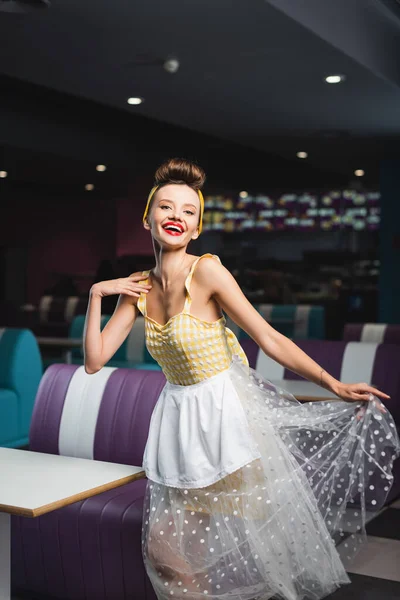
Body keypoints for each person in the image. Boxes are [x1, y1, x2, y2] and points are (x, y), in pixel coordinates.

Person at [83, 158, 399, 600]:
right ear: (148, 217)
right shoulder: (136, 287)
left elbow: (267, 337)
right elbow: (95, 361)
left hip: (226, 419)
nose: (176, 216)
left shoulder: (208, 271)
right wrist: (98, 292)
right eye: (166, 207)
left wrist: (334, 384)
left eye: (188, 211)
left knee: (213, 551)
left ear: (196, 228)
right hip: (178, 423)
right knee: (171, 550)